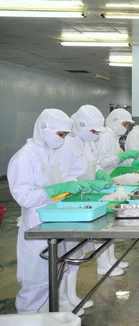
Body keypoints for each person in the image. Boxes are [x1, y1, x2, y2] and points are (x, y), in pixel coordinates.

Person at [8, 109, 84, 314]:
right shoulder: (24, 157)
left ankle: (47, 319)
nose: (63, 139)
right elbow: (23, 196)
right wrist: (52, 191)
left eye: (66, 135)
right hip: (36, 226)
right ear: (44, 129)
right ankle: (27, 320)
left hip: (54, 223)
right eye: (61, 134)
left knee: (53, 279)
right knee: (36, 286)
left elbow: (61, 181)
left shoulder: (50, 155)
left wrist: (76, 184)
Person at [57, 106, 127, 292]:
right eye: (93, 130)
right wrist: (83, 184)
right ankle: (63, 299)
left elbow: (95, 163)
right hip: (73, 200)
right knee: (70, 251)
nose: (96, 134)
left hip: (87, 197)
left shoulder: (88, 141)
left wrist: (99, 174)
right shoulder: (68, 144)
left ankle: (70, 296)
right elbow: (62, 177)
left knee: (78, 251)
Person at [97, 108, 139, 175]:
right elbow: (102, 163)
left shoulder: (115, 137)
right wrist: (120, 157)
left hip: (112, 175)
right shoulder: (105, 136)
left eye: (127, 125)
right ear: (115, 121)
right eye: (125, 124)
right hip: (104, 177)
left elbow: (119, 161)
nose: (126, 128)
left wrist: (131, 162)